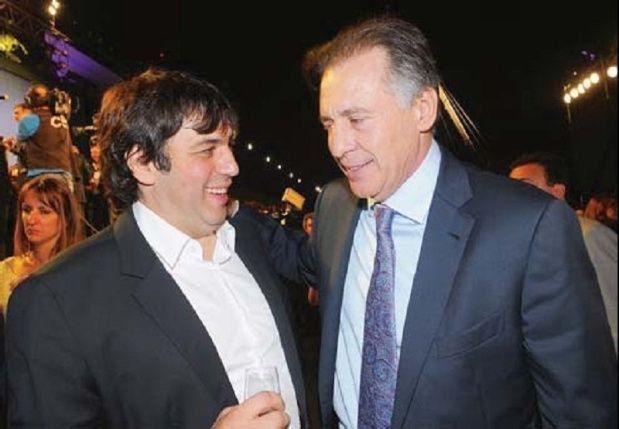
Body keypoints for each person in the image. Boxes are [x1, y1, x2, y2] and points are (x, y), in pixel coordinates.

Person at [239, 16, 617, 428]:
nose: (337, 145)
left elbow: (581, 411)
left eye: (357, 119)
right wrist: (224, 209)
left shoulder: (527, 228)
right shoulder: (335, 206)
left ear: (422, 109)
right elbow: (302, 258)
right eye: (329, 124)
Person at [5, 69, 307, 428]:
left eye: (229, 145)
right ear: (143, 162)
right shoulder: (55, 301)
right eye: (207, 149)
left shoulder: (252, 237)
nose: (232, 166)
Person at [509, 151, 618, 353]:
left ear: (557, 192)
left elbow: (613, 310)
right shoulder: (531, 243)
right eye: (511, 189)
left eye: (525, 187)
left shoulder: (587, 236)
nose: (514, 196)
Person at [0, 174, 83, 316]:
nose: (31, 220)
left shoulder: (80, 271)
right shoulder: (5, 270)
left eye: (44, 212)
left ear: (66, 218)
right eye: (27, 210)